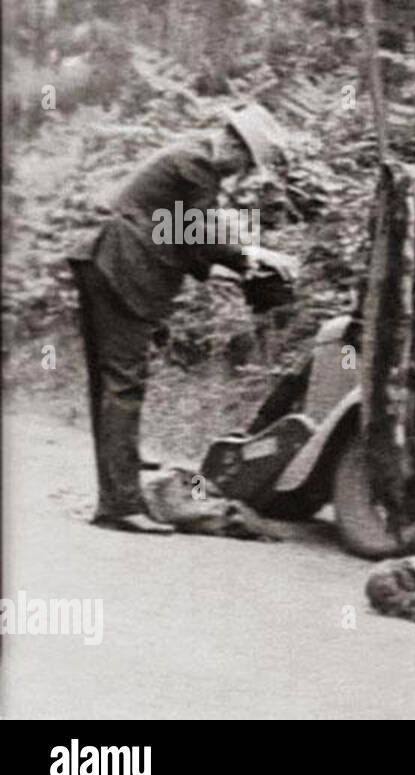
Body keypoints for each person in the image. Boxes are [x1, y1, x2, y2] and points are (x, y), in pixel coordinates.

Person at [66, 103, 298, 533]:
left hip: (106, 261)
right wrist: (253, 253)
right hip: (121, 265)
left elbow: (180, 234)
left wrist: (233, 268)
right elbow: (200, 230)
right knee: (124, 384)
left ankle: (118, 486)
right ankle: (120, 504)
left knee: (110, 382)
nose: (239, 173)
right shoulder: (197, 163)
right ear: (232, 142)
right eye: (244, 163)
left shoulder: (190, 158)